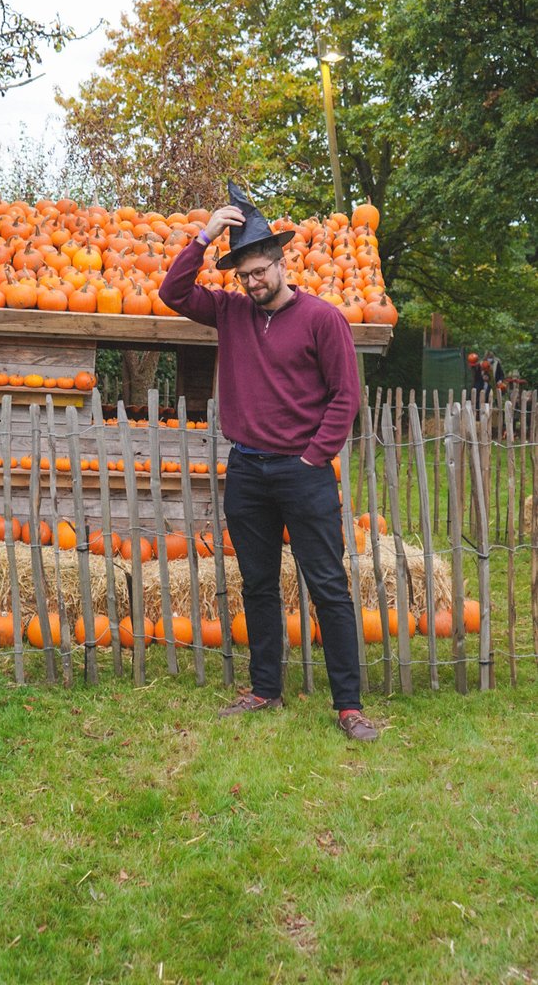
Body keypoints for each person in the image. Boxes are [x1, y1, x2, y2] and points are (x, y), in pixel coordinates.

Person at [159, 181, 378, 741]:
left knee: (327, 584)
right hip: (248, 470)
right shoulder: (230, 312)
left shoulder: (322, 319)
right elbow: (172, 292)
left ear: (281, 262)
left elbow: (345, 397)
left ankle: (348, 706)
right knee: (257, 583)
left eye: (260, 271)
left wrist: (313, 459)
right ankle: (265, 690)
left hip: (303, 473)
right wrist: (205, 236)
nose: (254, 282)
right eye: (244, 275)